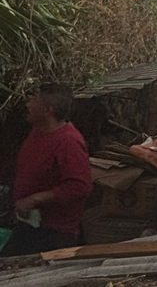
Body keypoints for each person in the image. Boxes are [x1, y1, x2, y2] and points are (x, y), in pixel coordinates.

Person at [0, 84, 92, 257]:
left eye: (34, 100)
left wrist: (36, 199)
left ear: (47, 110)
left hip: (54, 232)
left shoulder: (68, 142)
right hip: (30, 224)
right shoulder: (38, 131)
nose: (28, 105)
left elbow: (80, 187)